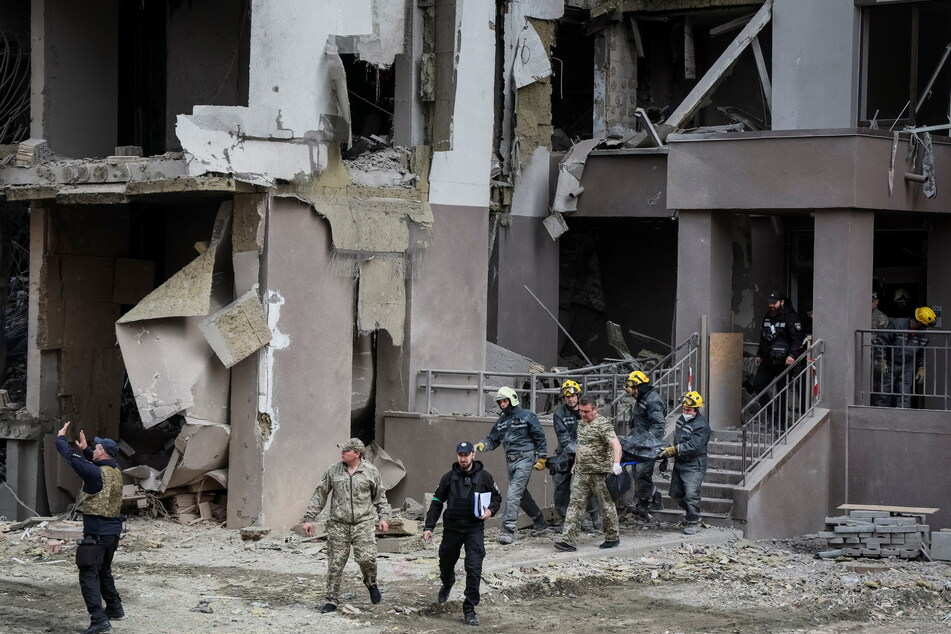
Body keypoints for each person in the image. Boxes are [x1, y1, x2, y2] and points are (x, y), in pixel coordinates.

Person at [301, 438, 390, 614]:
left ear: (356, 453)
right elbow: (320, 494)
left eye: (346, 451)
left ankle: (371, 583)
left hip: (363, 524)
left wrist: (383, 517)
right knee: (335, 564)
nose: (342, 453)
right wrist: (309, 518)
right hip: (338, 525)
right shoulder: (333, 470)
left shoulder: (371, 472)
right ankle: (331, 600)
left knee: (367, 559)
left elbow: (380, 497)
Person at [55, 421, 125, 634]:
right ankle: (114, 608)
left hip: (96, 533)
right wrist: (86, 449)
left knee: (88, 574)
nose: (94, 449)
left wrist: (60, 438)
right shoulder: (116, 470)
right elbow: (94, 465)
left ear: (102, 452)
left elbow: (71, 458)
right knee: (104, 570)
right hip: (113, 532)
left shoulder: (95, 474)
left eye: (97, 448)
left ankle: (98, 619)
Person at [422, 441, 502, 626]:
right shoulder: (448, 478)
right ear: (457, 456)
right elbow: (436, 501)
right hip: (452, 529)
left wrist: (490, 511)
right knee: (445, 563)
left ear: (473, 455)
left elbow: (497, 497)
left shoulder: (485, 477)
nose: (463, 458)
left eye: (467, 455)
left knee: (474, 569)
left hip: (474, 529)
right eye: (461, 455)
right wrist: (429, 526)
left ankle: (469, 609)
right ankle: (448, 582)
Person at [474, 386, 548, 544]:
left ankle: (508, 530)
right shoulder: (501, 422)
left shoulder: (526, 416)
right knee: (521, 494)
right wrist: (482, 445)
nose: (502, 404)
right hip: (510, 460)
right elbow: (493, 440)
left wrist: (542, 457)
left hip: (525, 458)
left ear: (512, 399)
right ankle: (540, 521)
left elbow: (539, 436)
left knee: (513, 494)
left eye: (504, 400)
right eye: (500, 401)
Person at [553, 395, 622, 552]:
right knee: (575, 505)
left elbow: (616, 445)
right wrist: (576, 464)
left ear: (595, 409)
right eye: (581, 411)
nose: (583, 414)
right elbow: (580, 445)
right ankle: (568, 541)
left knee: (606, 506)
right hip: (582, 472)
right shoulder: (581, 424)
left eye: (586, 411)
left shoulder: (603, 425)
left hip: (600, 473)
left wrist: (616, 463)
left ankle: (612, 537)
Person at [550, 380, 600, 533]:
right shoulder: (559, 414)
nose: (570, 399)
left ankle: (595, 519)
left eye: (573, 395)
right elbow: (564, 440)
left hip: (585, 454)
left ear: (578, 395)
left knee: (588, 487)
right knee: (560, 488)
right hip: (565, 454)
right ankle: (567, 519)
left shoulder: (587, 410)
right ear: (563, 398)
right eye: (567, 397)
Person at [658, 391, 711, 535]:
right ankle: (691, 513)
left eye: (688, 410)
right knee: (675, 493)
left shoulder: (701, 426)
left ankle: (694, 521)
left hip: (694, 464)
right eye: (684, 409)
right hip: (681, 461)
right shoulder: (682, 419)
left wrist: (674, 450)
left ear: (696, 409)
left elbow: (694, 445)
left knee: (691, 494)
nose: (685, 412)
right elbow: (678, 438)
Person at [752, 290, 806, 420]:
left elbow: (797, 339)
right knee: (758, 385)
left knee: (781, 391)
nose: (771, 305)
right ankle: (772, 415)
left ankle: (781, 423)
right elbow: (763, 337)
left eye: (774, 303)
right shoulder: (768, 316)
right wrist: (759, 354)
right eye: (770, 303)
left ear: (781, 302)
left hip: (784, 361)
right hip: (768, 359)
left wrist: (792, 355)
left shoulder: (791, 317)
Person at [873, 307, 936, 408]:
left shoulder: (923, 335)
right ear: (918, 321)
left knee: (904, 395)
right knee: (883, 394)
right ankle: (879, 418)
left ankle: (901, 420)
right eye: (924, 326)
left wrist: (921, 367)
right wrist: (881, 359)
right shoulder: (897, 325)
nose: (924, 328)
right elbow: (882, 340)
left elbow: (922, 351)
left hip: (907, 365)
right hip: (889, 363)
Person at [625, 370, 667, 519]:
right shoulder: (642, 397)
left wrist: (647, 443)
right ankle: (653, 498)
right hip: (638, 443)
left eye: (635, 388)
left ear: (642, 386)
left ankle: (644, 504)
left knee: (643, 472)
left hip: (647, 446)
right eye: (632, 388)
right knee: (637, 473)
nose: (633, 391)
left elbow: (658, 425)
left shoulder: (653, 400)